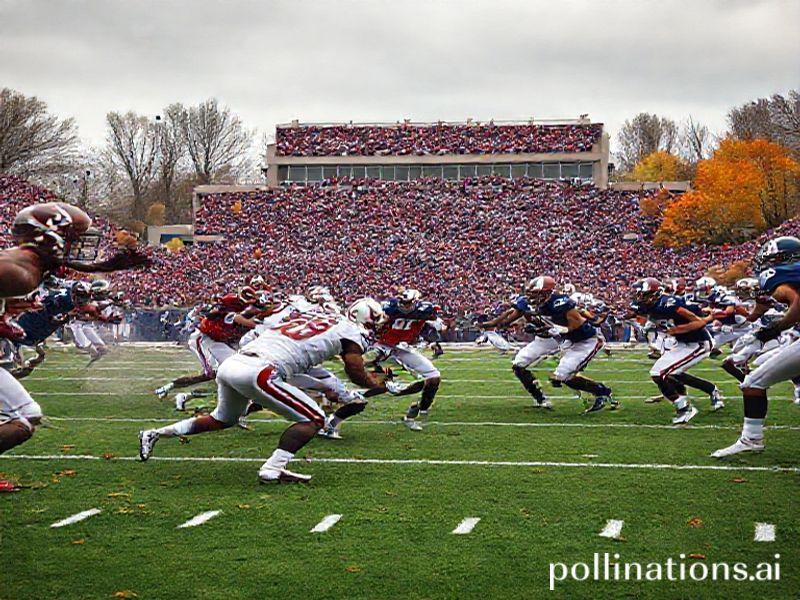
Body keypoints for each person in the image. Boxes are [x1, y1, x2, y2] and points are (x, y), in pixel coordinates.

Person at [138, 298, 389, 484]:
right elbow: (355, 369)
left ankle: (155, 433)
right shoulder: (350, 330)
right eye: (375, 319)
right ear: (365, 318)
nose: (376, 325)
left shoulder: (316, 316)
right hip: (261, 369)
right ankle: (273, 469)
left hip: (234, 363)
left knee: (223, 419)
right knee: (314, 419)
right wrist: (375, 384)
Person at [713, 237, 800, 457]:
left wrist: (772, 330)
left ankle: (751, 439)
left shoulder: (778, 275)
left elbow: (797, 302)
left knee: (753, 382)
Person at [630, 277, 721, 425]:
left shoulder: (668, 303)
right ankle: (709, 391)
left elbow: (699, 321)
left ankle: (684, 408)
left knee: (659, 373)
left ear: (653, 293)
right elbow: (635, 313)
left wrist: (679, 329)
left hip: (697, 343)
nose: (638, 297)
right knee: (672, 374)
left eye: (641, 294)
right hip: (681, 342)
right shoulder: (645, 305)